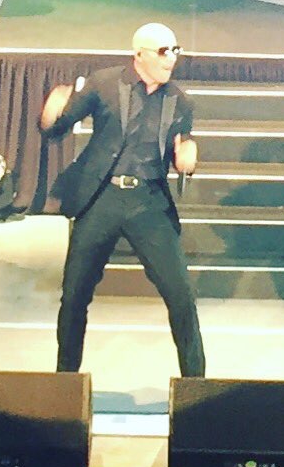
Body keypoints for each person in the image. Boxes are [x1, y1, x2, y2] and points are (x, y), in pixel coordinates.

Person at [40, 22, 205, 377]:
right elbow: (58, 127)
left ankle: (196, 385)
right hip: (102, 197)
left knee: (181, 295)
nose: (171, 58)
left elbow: (182, 146)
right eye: (163, 51)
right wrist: (52, 113)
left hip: (149, 202)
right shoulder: (103, 83)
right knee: (74, 296)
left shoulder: (180, 101)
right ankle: (65, 383)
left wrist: (187, 158)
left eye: (175, 51)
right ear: (139, 55)